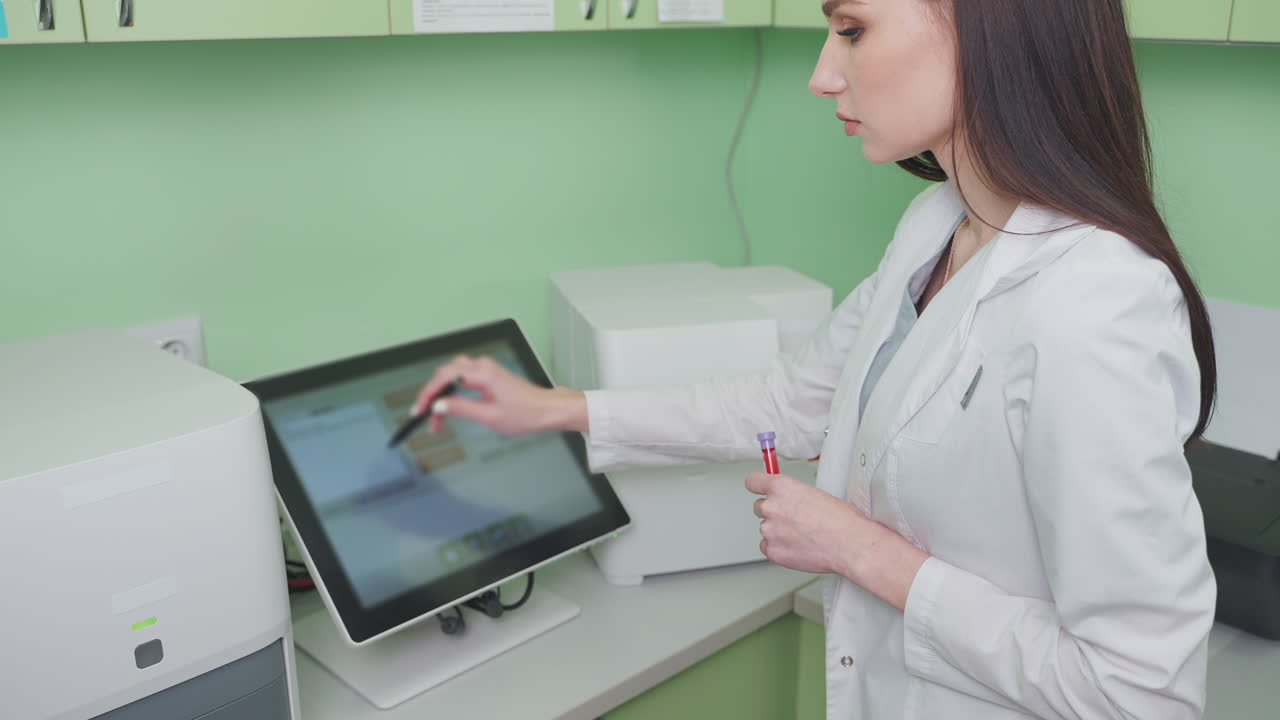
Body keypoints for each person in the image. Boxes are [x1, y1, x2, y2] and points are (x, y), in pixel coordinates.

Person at [413, 0, 1219, 717]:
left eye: (852, 29)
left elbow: (1139, 690)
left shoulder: (1094, 302)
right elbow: (797, 400)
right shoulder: (936, 223)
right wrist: (558, 412)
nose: (821, 75)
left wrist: (857, 549)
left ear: (987, 28)